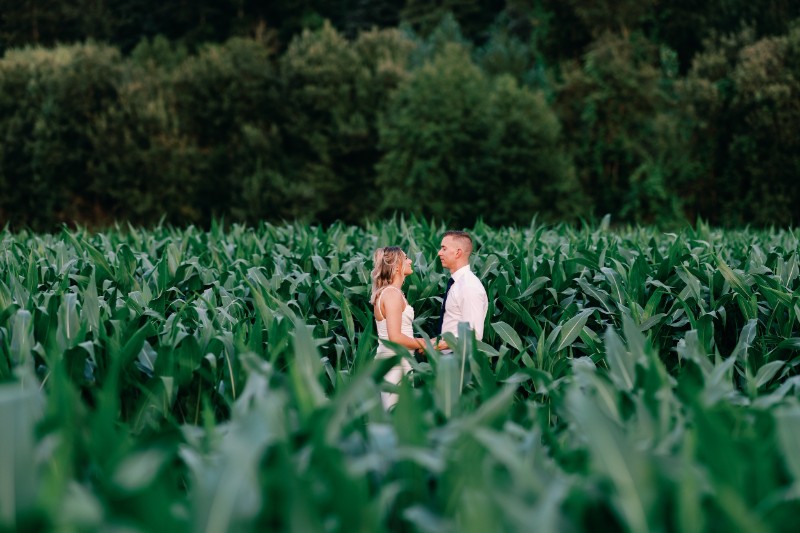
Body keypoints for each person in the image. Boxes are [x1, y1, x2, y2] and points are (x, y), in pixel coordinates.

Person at [371, 246, 444, 410]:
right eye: (406, 258)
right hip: (394, 365)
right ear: (396, 266)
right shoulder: (391, 294)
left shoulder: (393, 293)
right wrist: (425, 344)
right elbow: (395, 337)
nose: (410, 260)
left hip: (399, 363)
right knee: (396, 418)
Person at [436, 231, 488, 344]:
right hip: (447, 358)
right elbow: (451, 327)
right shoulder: (456, 283)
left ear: (458, 253)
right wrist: (429, 343)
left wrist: (437, 347)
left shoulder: (469, 287)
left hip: (459, 358)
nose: (439, 253)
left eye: (444, 249)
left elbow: (473, 336)